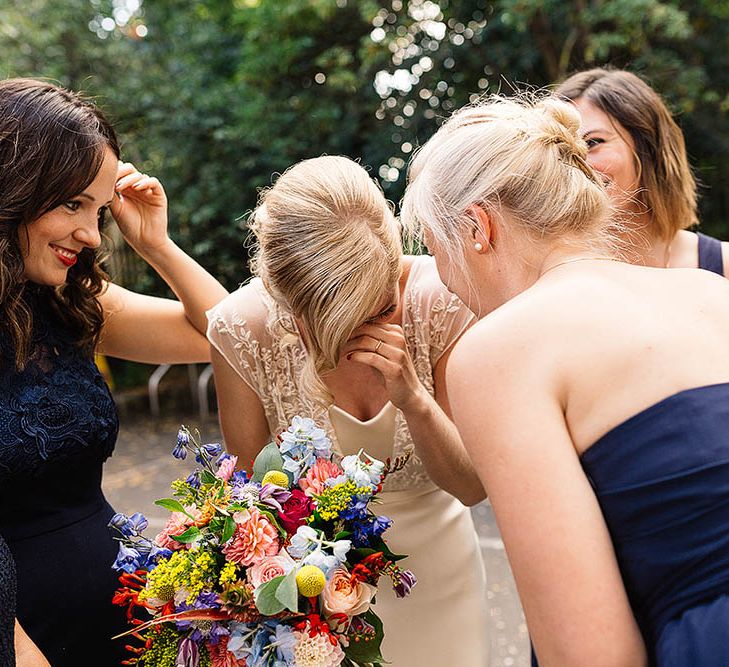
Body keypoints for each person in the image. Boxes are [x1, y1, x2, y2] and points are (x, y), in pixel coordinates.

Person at [401, 94, 729, 666]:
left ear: (478, 226)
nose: (445, 282)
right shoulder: (712, 292)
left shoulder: (499, 351)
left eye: (435, 247)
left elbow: (591, 655)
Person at [207, 155, 489, 666]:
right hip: (315, 608)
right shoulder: (240, 329)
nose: (363, 335)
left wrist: (414, 400)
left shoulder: (441, 300)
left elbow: (473, 486)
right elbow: (254, 520)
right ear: (291, 304)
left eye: (380, 310)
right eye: (335, 323)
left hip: (443, 576)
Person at [0, 78, 228, 665]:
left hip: (128, 623)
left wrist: (157, 245)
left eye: (99, 210)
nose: (90, 233)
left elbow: (223, 336)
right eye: (72, 203)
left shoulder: (70, 302)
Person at [555, 67, 728, 277]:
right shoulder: (549, 276)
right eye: (563, 150)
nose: (578, 162)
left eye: (593, 142)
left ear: (648, 147)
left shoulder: (722, 266)